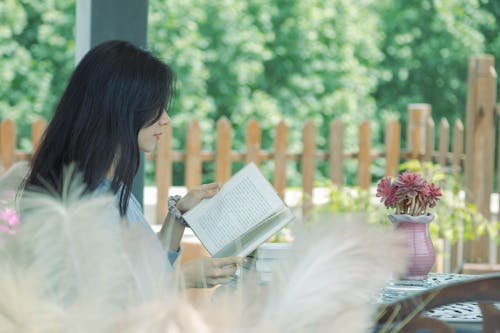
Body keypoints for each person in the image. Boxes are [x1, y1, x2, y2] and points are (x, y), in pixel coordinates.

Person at [21, 40, 242, 288]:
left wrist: (179, 216)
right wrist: (181, 279)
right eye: (155, 107)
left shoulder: (107, 185)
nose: (166, 120)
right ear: (120, 108)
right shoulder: (86, 204)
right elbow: (105, 306)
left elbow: (145, 268)